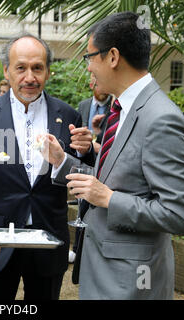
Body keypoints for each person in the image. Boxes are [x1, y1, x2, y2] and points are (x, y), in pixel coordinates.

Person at [52, 12, 184, 299]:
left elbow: (182, 215)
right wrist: (64, 160)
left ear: (113, 57)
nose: (88, 68)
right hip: (104, 272)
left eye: (89, 57)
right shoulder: (121, 108)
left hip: (131, 285)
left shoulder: (161, 118)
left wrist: (109, 199)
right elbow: (119, 178)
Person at [0, 33, 95, 300]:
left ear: (48, 72)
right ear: (7, 71)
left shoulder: (68, 115)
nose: (30, 77)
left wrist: (75, 156)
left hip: (48, 238)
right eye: (21, 68)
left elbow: (83, 177)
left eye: (37, 68)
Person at [68, 74, 113, 263]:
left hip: (103, 174)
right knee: (83, 206)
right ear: (91, 84)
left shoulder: (114, 108)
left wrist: (95, 143)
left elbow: (108, 143)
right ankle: (78, 249)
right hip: (85, 164)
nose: (101, 89)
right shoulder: (84, 106)